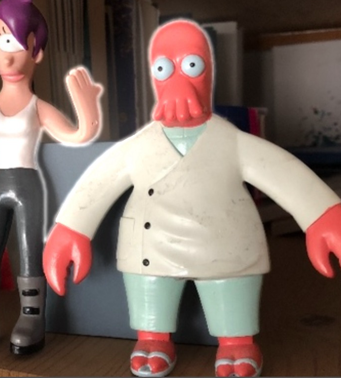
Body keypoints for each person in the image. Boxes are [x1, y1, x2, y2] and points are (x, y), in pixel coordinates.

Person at [42, 19, 341, 377]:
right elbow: (98, 182)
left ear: (208, 71)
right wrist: (72, 228)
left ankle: (237, 342)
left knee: (230, 290)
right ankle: (152, 339)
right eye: (164, 68)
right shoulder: (138, 147)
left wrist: (322, 213)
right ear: (153, 75)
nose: (178, 80)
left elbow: (280, 170)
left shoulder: (232, 143)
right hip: (152, 247)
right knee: (151, 293)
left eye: (192, 65)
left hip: (226, 245)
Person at [0, 0, 102, 356]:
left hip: (27, 183)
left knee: (30, 250)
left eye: (16, 42)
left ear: (36, 53)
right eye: (2, 41)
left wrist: (88, 110)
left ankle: (32, 316)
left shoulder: (37, 107)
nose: (9, 53)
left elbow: (77, 134)